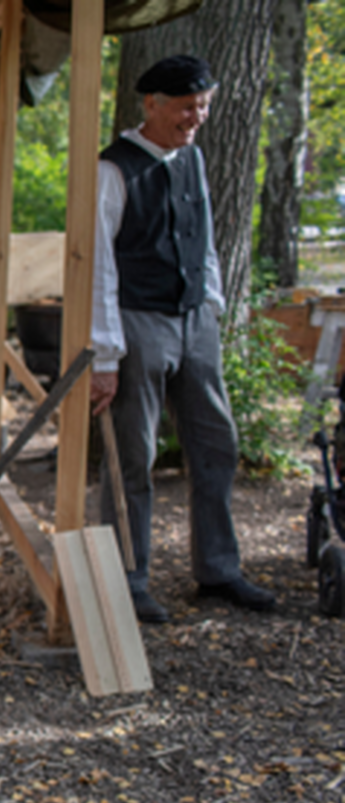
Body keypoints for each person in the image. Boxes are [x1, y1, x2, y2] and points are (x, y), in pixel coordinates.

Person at [90, 54, 276, 624]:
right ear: (152, 104)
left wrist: (212, 304)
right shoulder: (113, 169)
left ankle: (218, 570)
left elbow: (207, 240)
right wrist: (105, 352)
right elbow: (97, 263)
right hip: (138, 320)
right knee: (134, 457)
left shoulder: (192, 159)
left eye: (203, 107)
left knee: (216, 445)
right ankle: (128, 576)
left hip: (196, 320)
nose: (196, 118)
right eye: (186, 107)